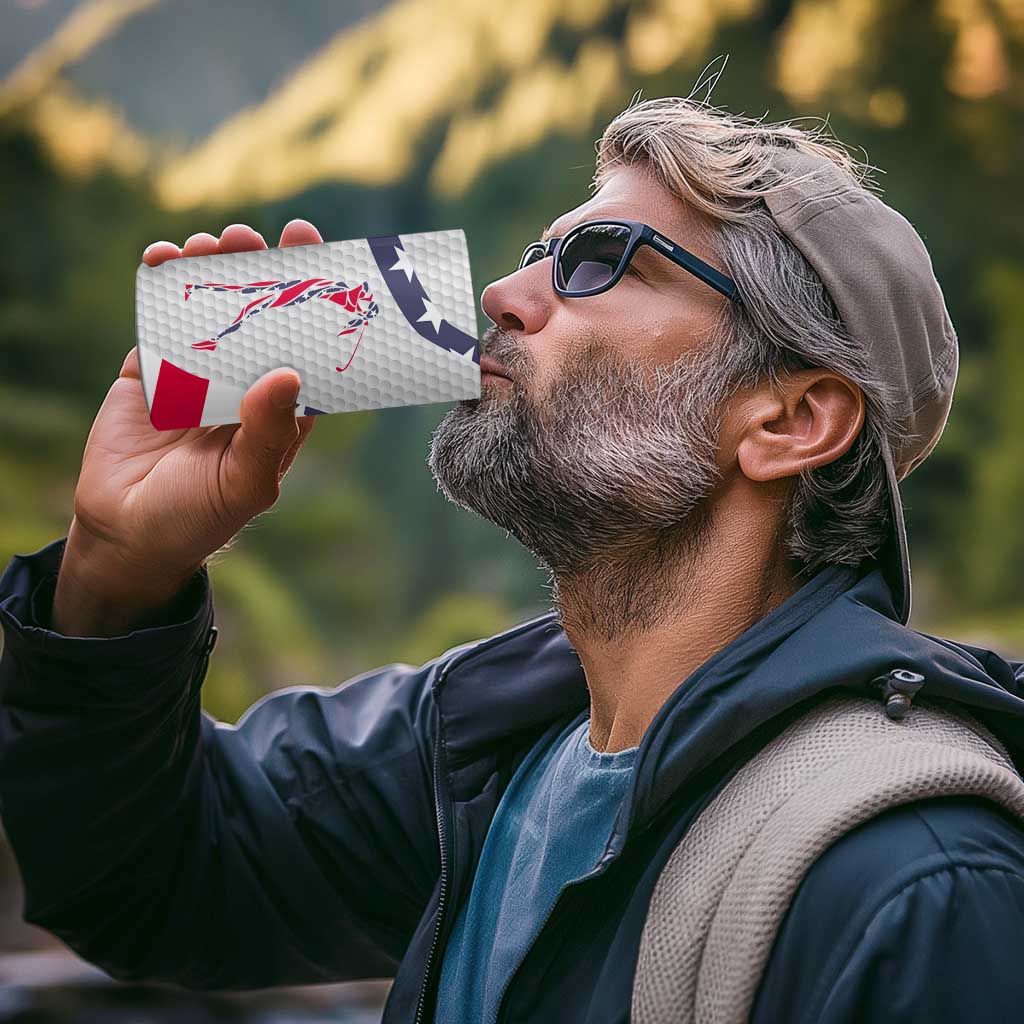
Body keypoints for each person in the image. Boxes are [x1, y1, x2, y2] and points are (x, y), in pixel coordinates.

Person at [2, 94, 1024, 1024]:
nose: (503, 291)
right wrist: (115, 573)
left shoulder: (918, 884)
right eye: (540, 252)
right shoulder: (480, 749)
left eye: (600, 261)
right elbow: (149, 880)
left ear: (790, 419)